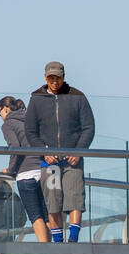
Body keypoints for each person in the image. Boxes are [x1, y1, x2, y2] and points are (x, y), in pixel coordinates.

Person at [24, 61, 95, 243]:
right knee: (53, 200)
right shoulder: (36, 98)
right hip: (49, 161)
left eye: (58, 78)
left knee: (75, 197)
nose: (55, 82)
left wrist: (78, 152)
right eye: (51, 78)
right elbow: (30, 131)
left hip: (73, 159)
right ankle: (57, 242)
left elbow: (89, 127)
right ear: (45, 78)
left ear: (64, 77)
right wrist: (43, 152)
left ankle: (73, 238)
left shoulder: (77, 97)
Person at [0, 96, 47, 242]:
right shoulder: (31, 121)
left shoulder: (8, 124)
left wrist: (11, 169)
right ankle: (55, 249)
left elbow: (15, 147)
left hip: (26, 173)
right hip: (43, 170)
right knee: (46, 214)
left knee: (35, 215)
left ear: (5, 109)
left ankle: (45, 248)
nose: (0, 116)